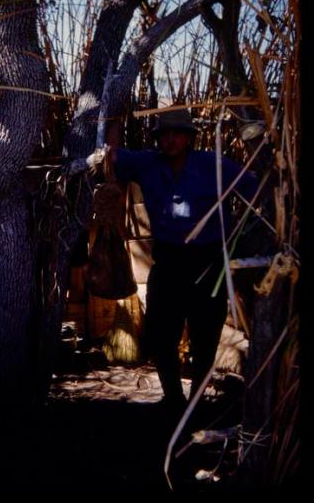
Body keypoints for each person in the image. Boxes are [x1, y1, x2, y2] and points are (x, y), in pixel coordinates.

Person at [104, 106, 258, 415]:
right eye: (164, 135)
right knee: (161, 336)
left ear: (189, 138)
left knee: (204, 338)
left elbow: (255, 185)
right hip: (169, 263)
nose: (170, 140)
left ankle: (198, 404)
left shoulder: (213, 165)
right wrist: (113, 118)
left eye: (177, 134)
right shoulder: (147, 164)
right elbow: (111, 155)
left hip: (207, 264)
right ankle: (173, 399)